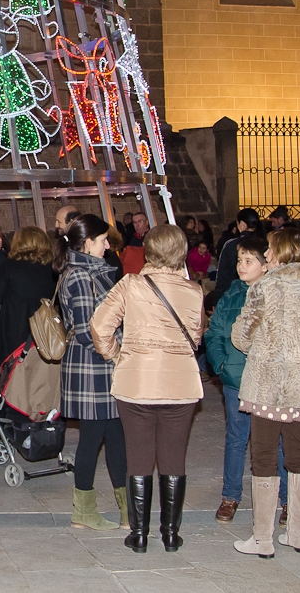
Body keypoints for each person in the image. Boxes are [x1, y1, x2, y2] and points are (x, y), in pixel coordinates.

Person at [90, 224, 204, 554]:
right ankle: (170, 534)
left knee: (138, 457)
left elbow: (99, 325)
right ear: (181, 252)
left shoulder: (130, 285)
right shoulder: (194, 291)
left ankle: (138, 535)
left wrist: (116, 354)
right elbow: (195, 338)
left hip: (137, 381)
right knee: (173, 457)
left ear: (149, 251)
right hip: (180, 382)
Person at [230, 228, 300, 558]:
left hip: (269, 387)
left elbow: (243, 335)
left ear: (281, 251)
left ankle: (263, 538)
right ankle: (298, 533)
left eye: (270, 248)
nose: (267, 254)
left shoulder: (265, 287)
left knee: (264, 457)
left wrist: (247, 339)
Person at [204, 235, 287, 527]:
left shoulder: (276, 294)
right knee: (237, 439)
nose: (241, 266)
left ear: (265, 265)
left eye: (248, 261)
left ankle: (287, 498)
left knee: (275, 441)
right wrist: (221, 364)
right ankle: (230, 496)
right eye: (239, 260)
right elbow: (213, 332)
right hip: (235, 379)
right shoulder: (231, 295)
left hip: (268, 381)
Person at [57, 214, 127, 533]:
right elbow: (86, 331)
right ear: (87, 243)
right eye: (102, 240)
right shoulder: (80, 275)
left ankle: (129, 510)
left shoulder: (93, 272)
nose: (107, 245)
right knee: (91, 438)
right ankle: (83, 511)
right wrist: (117, 351)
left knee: (116, 436)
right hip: (92, 366)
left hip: (102, 364)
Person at [0, 226, 57, 368]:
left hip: (15, 328)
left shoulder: (9, 266)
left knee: (14, 375)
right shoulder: (52, 268)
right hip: (43, 329)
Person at [213, 208, 262, 301]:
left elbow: (222, 275)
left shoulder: (231, 245)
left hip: (234, 296)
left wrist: (218, 299)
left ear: (242, 225)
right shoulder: (264, 243)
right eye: (239, 260)